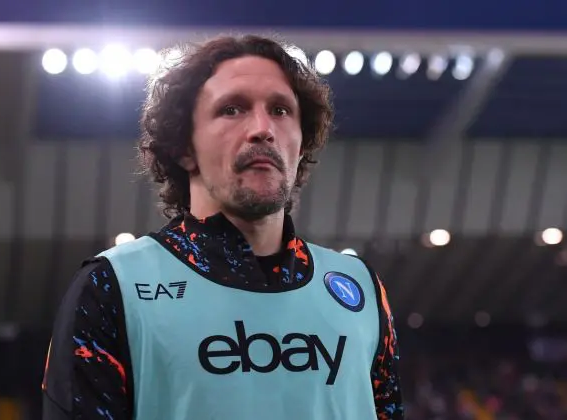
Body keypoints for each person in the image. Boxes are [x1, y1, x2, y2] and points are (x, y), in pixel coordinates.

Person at [42, 34, 404, 420]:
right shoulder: (113, 287)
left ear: (301, 145)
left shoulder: (360, 289)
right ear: (184, 147)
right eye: (233, 109)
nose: (262, 129)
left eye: (281, 110)